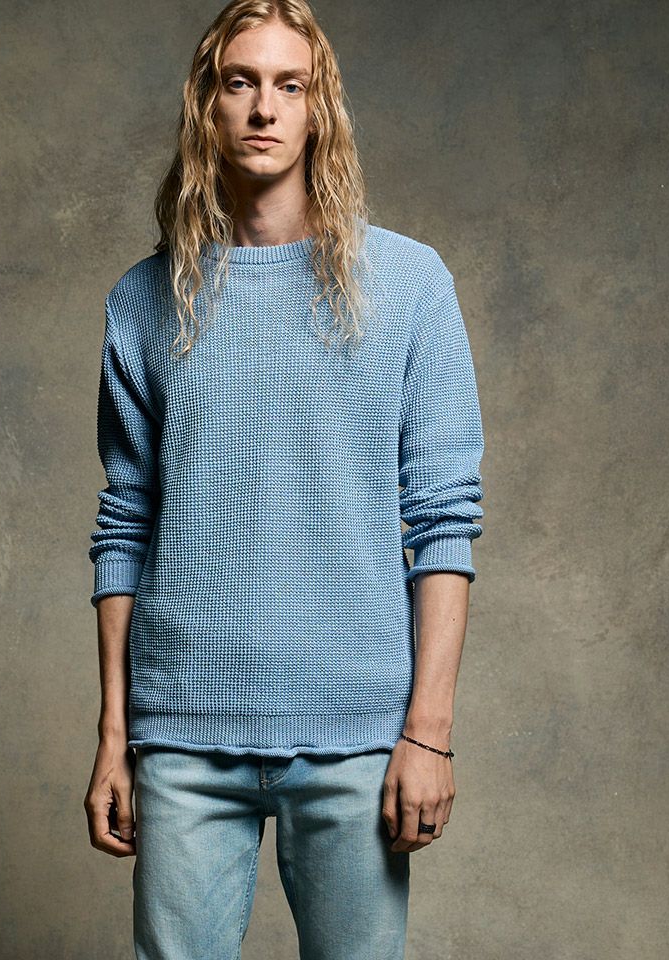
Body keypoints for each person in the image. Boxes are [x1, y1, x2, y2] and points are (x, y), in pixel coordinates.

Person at [83, 1, 485, 958]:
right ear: (209, 105)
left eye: (289, 85)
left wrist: (427, 732)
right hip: (180, 735)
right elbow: (125, 525)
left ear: (317, 109)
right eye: (241, 82)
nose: (264, 107)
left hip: (356, 734)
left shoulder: (409, 285)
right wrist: (113, 738)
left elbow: (443, 520)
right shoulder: (142, 300)